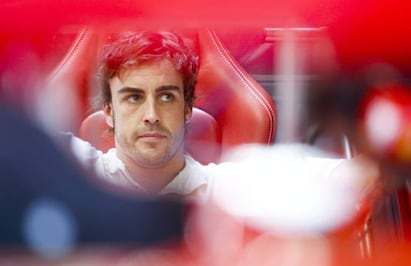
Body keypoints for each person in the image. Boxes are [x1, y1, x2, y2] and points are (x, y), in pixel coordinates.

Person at [67, 30, 379, 231]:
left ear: (188, 110)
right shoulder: (70, 170)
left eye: (166, 96)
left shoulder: (227, 187)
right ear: (108, 113)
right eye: (134, 97)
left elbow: (349, 175)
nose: (151, 115)